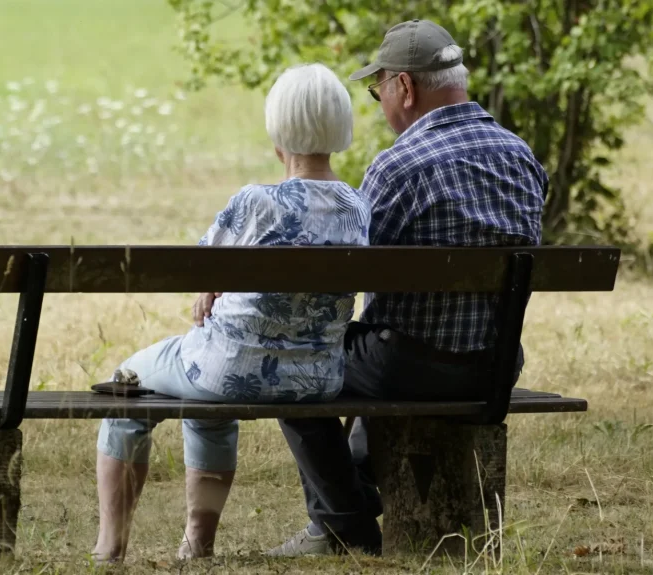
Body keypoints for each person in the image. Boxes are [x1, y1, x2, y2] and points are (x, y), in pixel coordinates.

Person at [267, 19, 549, 556]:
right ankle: (357, 489)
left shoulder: (398, 167)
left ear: (404, 87)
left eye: (378, 93)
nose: (381, 105)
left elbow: (350, 276)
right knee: (378, 342)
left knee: (292, 360)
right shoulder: (522, 158)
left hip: (410, 368)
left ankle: (344, 523)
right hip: (495, 367)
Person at [92, 63, 370, 562]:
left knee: (126, 383)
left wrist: (211, 285)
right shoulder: (357, 207)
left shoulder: (255, 203)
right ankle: (196, 545)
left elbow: (196, 267)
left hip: (228, 370)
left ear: (277, 131)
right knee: (205, 401)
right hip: (317, 378)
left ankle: (109, 548)